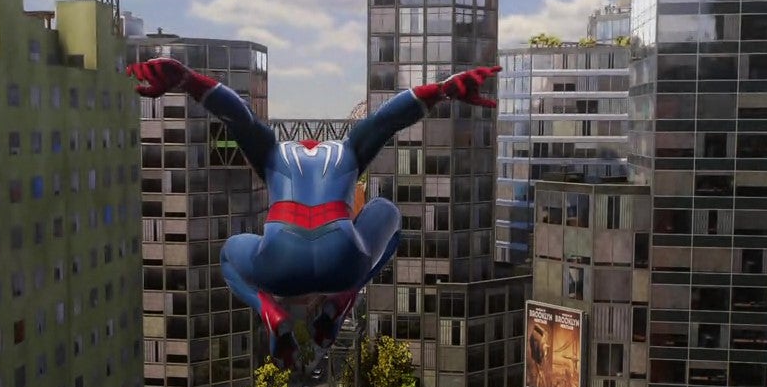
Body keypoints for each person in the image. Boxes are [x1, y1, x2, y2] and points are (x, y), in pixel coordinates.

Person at [128, 56, 501, 366]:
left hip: (280, 260)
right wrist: (444, 89)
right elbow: (389, 119)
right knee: (387, 211)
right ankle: (340, 302)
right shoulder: (348, 152)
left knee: (229, 255)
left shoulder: (274, 153)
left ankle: (269, 313)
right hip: (342, 257)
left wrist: (188, 80)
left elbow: (238, 116)